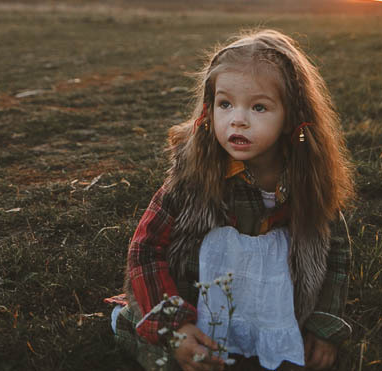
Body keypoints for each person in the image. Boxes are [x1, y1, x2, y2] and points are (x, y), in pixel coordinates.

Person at [109, 29, 355, 371]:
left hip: (271, 310)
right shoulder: (193, 177)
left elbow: (336, 255)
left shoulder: (307, 180)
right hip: (193, 307)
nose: (237, 119)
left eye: (258, 106)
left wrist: (324, 328)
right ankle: (135, 323)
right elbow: (145, 249)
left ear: (292, 118)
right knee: (175, 362)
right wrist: (176, 326)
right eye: (225, 104)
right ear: (210, 110)